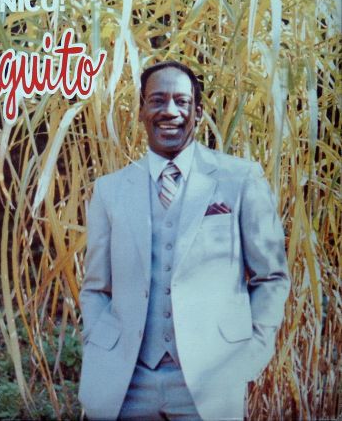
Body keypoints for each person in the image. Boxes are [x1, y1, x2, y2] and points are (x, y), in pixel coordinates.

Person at [78, 61, 290, 420]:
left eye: (182, 101)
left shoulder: (240, 179)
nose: (170, 111)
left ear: (199, 112)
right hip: (125, 383)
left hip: (211, 381)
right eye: (157, 100)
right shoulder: (110, 190)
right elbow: (96, 287)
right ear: (141, 111)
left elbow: (271, 277)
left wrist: (250, 355)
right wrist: (100, 344)